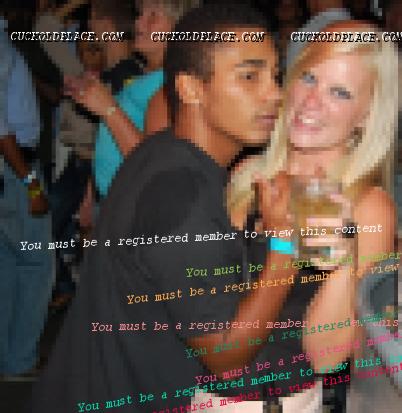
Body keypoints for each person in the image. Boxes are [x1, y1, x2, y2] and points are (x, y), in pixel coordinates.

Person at [27, 3, 300, 412]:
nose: (275, 93)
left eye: (275, 75)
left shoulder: (162, 153)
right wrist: (284, 248)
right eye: (249, 76)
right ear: (190, 89)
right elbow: (226, 357)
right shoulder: (181, 193)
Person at [229, 19, 398, 412]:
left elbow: (326, 357)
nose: (311, 102)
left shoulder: (368, 207)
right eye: (309, 78)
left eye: (339, 92)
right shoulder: (247, 175)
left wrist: (343, 263)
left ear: (366, 115)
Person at [66, 0, 200, 197]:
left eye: (153, 16)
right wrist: (90, 195)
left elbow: (154, 163)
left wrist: (109, 109)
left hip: (138, 205)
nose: (138, 22)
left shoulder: (172, 84)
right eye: (140, 14)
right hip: (114, 201)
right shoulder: (146, 76)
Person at [0, 13, 53, 380]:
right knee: (35, 265)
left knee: (7, 264)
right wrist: (31, 183)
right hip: (15, 168)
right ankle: (20, 359)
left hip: (9, 170)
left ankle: (9, 356)